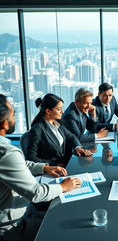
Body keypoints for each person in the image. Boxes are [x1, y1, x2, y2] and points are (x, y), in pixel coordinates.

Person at [0, 94, 82, 241]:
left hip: (22, 213)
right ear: (5, 123)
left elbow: (19, 164)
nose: (15, 118)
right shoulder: (7, 152)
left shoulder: (57, 124)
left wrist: (45, 167)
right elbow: (36, 193)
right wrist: (64, 186)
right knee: (65, 228)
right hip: (15, 225)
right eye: (13, 114)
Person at [25, 93, 91, 166]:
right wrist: (53, 164)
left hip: (64, 164)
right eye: (58, 109)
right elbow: (30, 157)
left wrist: (77, 147)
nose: (62, 112)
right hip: (50, 170)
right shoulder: (36, 130)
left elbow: (71, 136)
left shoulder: (57, 123)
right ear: (48, 111)